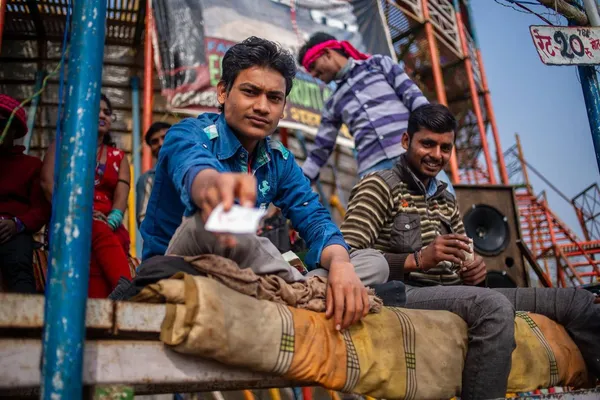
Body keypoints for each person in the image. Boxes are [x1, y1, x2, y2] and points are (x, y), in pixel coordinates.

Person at [340, 103, 600, 400]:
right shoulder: (378, 186)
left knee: (579, 300)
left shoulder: (445, 199)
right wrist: (417, 260)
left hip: (453, 292)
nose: (437, 155)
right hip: (402, 292)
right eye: (427, 143)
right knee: (493, 308)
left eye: (445, 148)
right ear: (405, 141)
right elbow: (348, 257)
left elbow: (466, 271)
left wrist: (475, 271)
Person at [140, 36, 389, 331]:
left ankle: (300, 288)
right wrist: (213, 187)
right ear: (223, 92)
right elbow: (194, 167)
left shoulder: (278, 160)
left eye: (274, 98)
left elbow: (314, 218)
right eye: (250, 92)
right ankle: (305, 290)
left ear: (283, 107)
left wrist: (341, 265)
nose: (262, 106)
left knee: (374, 263)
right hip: (176, 264)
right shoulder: (189, 132)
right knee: (222, 222)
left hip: (248, 268)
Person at [297, 32, 454, 194]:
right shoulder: (332, 103)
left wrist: (433, 141)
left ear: (327, 54)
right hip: (373, 172)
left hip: (410, 155)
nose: (314, 75)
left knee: (443, 210)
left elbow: (415, 99)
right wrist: (298, 188)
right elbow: (319, 151)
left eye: (313, 67)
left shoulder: (378, 64)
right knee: (390, 219)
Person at [41, 93, 132, 298]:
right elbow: (47, 185)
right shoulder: (62, 146)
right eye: (96, 111)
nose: (102, 115)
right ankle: (124, 287)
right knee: (91, 229)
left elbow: (121, 197)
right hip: (69, 216)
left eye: (107, 113)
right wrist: (81, 212)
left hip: (110, 224)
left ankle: (106, 305)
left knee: (108, 234)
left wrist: (112, 221)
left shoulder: (119, 156)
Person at [0, 94, 51, 293]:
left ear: (14, 131)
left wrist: (17, 224)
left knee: (19, 268)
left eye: (2, 124)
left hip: (13, 233)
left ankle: (25, 320)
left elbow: (41, 208)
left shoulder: (31, 165)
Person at [136, 121, 171, 226]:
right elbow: (143, 219)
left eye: (164, 137)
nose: (160, 143)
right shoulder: (147, 179)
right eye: (155, 141)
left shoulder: (192, 168)